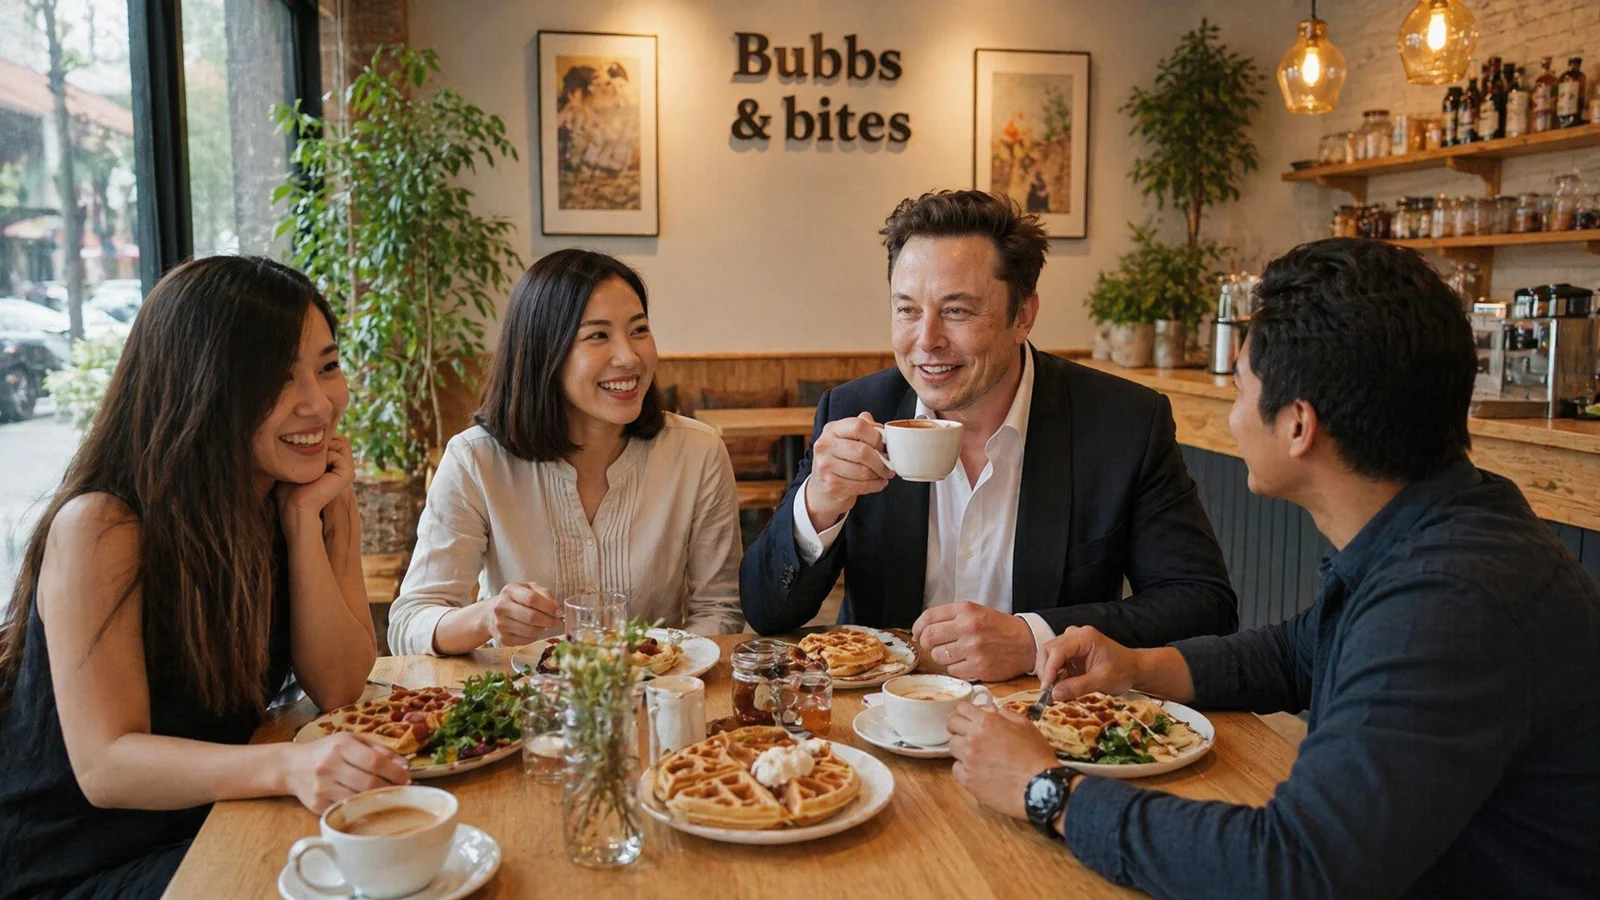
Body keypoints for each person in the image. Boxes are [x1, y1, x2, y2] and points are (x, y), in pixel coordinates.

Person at [947, 238, 1600, 899]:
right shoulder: (1445, 524)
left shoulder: (1451, 603)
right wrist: (1138, 667)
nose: (1232, 416)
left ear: (1298, 426)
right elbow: (1297, 653)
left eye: (1239, 390)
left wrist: (1048, 791)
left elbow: (1293, 869)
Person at [0, 256, 407, 900]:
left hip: (217, 818)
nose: (318, 402)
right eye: (276, 379)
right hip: (83, 865)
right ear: (202, 386)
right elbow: (107, 765)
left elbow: (339, 685)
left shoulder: (295, 494)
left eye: (327, 366)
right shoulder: (103, 526)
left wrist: (306, 523)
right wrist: (289, 764)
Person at [740, 190, 1237, 681]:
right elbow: (767, 613)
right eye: (907, 310)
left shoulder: (1121, 424)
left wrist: (1032, 638)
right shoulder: (852, 413)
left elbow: (1202, 604)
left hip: (1046, 719)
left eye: (956, 311)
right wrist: (819, 504)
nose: (926, 340)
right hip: (885, 716)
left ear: (1022, 315)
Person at [388, 249, 744, 656]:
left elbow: (720, 610)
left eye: (639, 330)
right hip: (526, 705)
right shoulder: (475, 460)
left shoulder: (697, 452)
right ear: (544, 352)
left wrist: (664, 663)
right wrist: (486, 617)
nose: (629, 357)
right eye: (597, 335)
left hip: (657, 698)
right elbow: (409, 623)